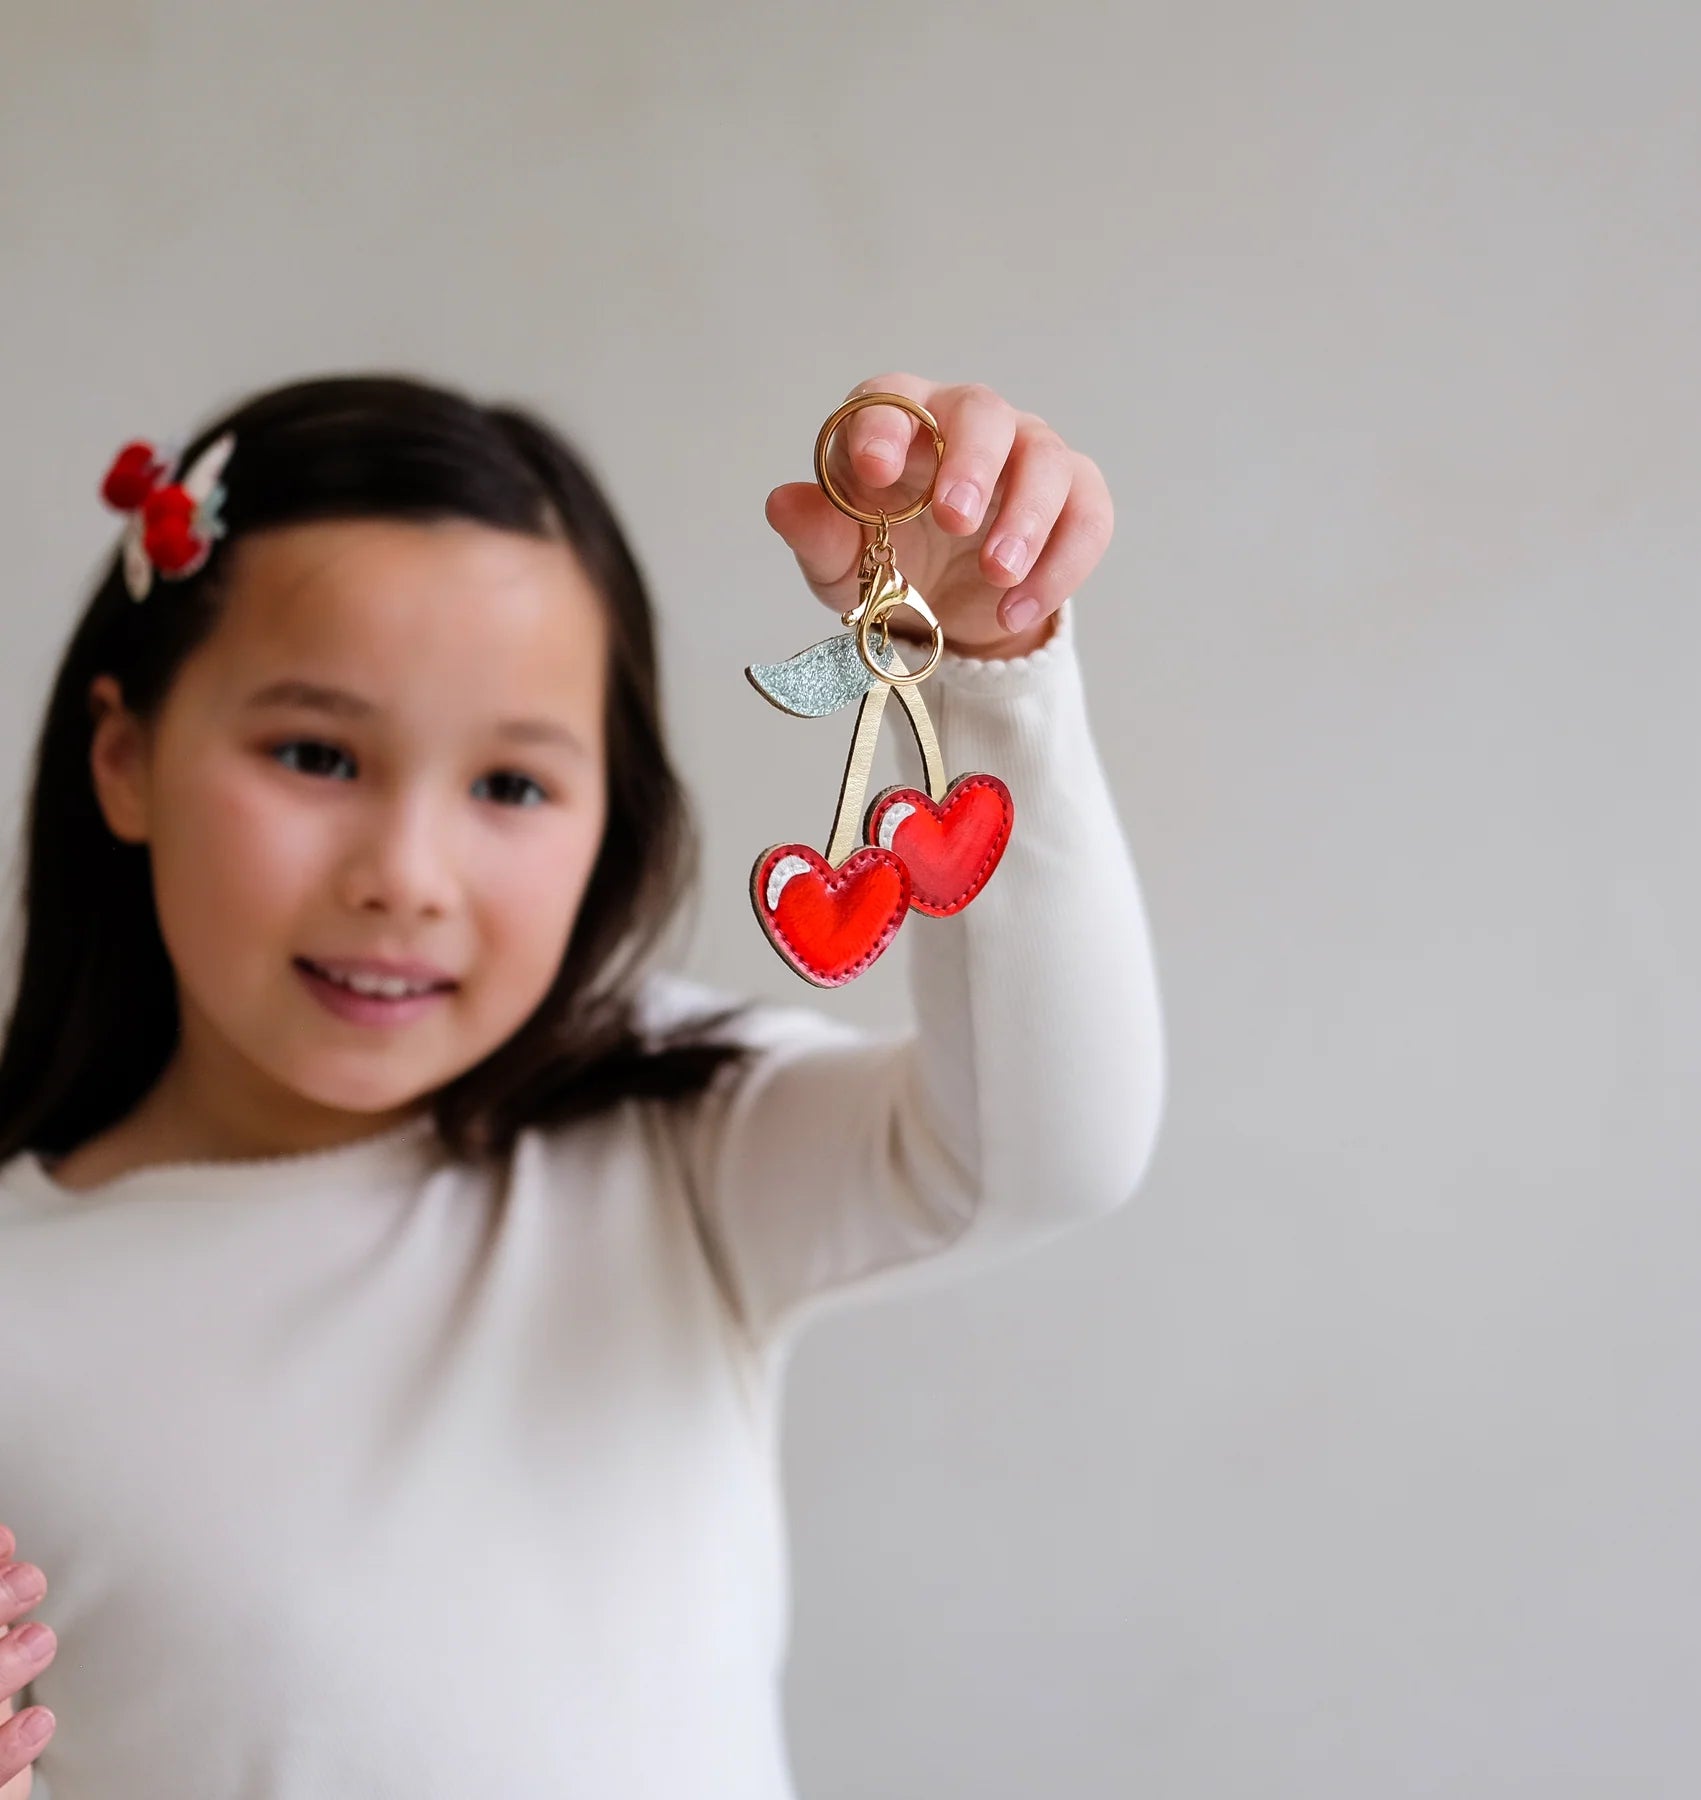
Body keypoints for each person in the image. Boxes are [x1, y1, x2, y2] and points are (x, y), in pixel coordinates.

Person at [0, 369, 1165, 1798]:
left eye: (510, 786)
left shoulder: (671, 1144)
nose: (405, 881)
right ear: (125, 759)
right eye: (315, 755)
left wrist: (990, 674)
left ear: (610, 815)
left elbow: (1052, 1154)